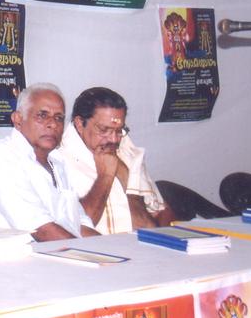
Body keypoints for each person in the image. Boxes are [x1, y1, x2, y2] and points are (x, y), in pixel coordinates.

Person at [0, 84, 98, 241]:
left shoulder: (57, 161)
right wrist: (90, 252)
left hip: (56, 251)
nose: (53, 124)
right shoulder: (2, 160)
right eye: (42, 115)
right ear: (18, 120)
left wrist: (110, 247)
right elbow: (43, 232)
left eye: (59, 118)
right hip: (15, 254)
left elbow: (79, 225)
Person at [57, 87, 175, 234]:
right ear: (80, 123)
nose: (113, 140)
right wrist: (105, 176)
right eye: (103, 130)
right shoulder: (57, 161)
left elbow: (162, 212)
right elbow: (73, 229)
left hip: (137, 245)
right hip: (96, 247)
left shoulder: (127, 150)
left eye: (119, 130)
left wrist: (128, 183)